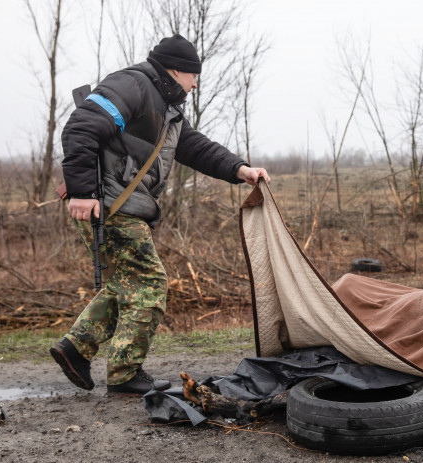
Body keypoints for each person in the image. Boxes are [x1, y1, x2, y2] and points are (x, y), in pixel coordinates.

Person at [50, 34, 270, 395]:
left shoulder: (167, 107)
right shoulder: (133, 85)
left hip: (122, 206)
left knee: (127, 283)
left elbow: (196, 147)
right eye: (194, 75)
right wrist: (81, 192)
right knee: (149, 283)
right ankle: (123, 373)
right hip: (109, 205)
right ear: (176, 70)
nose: (196, 83)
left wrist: (239, 169)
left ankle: (76, 349)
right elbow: (81, 127)